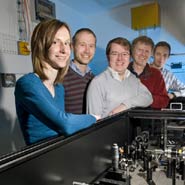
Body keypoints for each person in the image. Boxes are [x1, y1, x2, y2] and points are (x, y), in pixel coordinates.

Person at [14, 19, 100, 145]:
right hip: (40, 160)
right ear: (41, 45)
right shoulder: (27, 83)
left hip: (61, 152)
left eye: (66, 43)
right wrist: (94, 118)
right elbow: (66, 124)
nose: (64, 50)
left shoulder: (59, 87)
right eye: (55, 42)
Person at [86, 37, 153, 118]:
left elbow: (148, 98)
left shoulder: (133, 79)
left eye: (124, 54)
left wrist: (125, 105)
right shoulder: (97, 83)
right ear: (108, 57)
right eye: (115, 53)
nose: (120, 58)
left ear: (130, 57)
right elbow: (93, 124)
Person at [128, 36, 169, 109]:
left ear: (151, 54)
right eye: (140, 50)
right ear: (132, 51)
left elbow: (164, 100)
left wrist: (145, 99)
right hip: (124, 118)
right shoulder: (122, 71)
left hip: (148, 118)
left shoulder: (156, 74)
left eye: (147, 51)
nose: (143, 54)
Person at [63, 28, 96, 114]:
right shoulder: (60, 77)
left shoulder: (95, 79)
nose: (87, 50)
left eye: (91, 46)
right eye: (82, 45)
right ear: (72, 47)